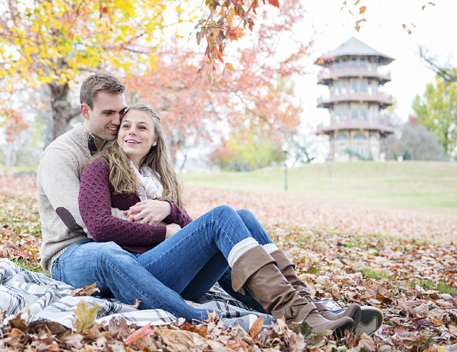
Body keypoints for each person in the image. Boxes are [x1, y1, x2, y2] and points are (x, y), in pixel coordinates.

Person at [78, 103, 369, 334]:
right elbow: (99, 227)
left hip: (178, 274)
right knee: (222, 217)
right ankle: (299, 314)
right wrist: (164, 234)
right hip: (142, 271)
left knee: (243, 217)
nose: (132, 132)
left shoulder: (157, 178)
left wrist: (169, 210)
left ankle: (308, 307)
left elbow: (194, 233)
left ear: (154, 140)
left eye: (142, 127)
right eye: (126, 126)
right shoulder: (99, 168)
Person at [37, 73, 217, 322]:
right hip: (71, 253)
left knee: (215, 236)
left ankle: (274, 300)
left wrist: (167, 214)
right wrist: (160, 228)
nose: (118, 121)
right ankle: (195, 319)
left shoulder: (123, 151)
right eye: (108, 113)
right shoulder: (61, 154)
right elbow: (83, 223)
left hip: (124, 248)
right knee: (107, 252)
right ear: (85, 111)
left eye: (120, 112)